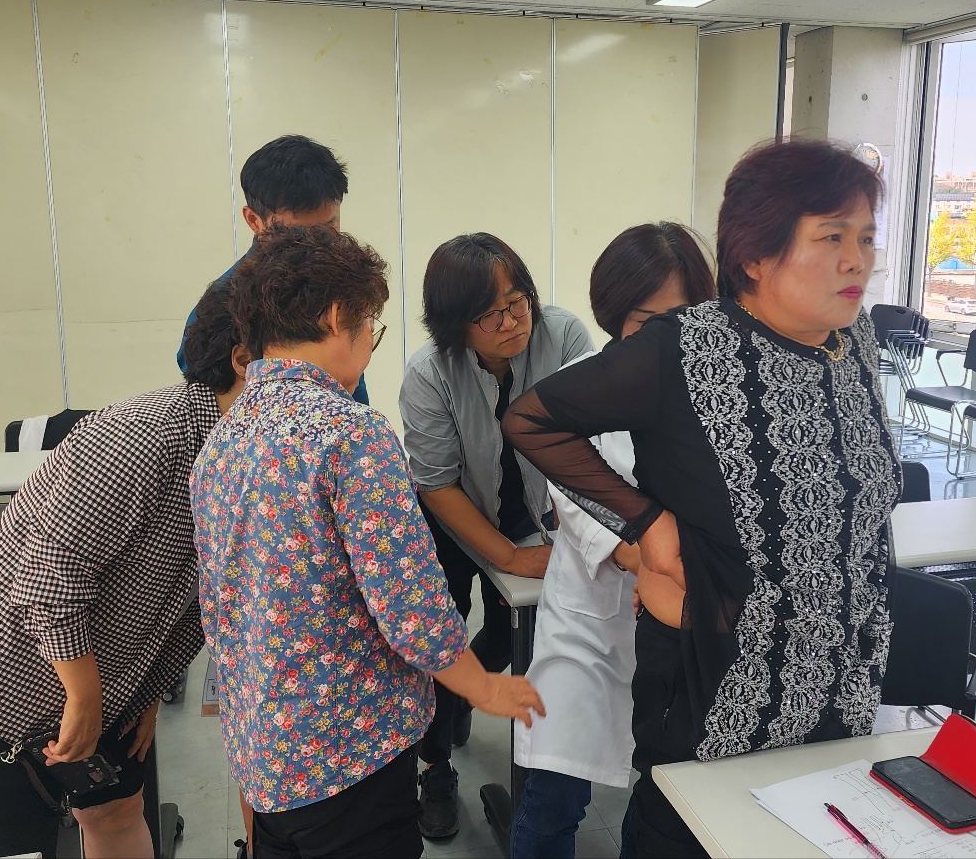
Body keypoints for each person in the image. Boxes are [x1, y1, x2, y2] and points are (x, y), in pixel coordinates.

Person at [504, 139, 903, 858]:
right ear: (755, 256)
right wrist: (646, 524)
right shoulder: (683, 348)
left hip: (839, 687)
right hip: (720, 691)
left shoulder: (857, 341)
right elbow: (532, 420)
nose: (857, 260)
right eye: (831, 237)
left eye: (867, 237)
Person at [191, 224, 545, 859]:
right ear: (337, 317)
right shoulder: (350, 433)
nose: (371, 346)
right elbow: (409, 600)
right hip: (349, 748)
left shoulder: (225, 435)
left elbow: (219, 598)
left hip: (264, 750)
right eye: (371, 327)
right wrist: (482, 686)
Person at [0, 279, 248, 859]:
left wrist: (144, 691)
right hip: (6, 673)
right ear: (244, 360)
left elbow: (190, 594)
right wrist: (86, 697)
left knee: (117, 813)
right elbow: (48, 582)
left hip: (105, 676)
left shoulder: (242, 448)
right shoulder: (143, 434)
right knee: (18, 844)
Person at [509, 223, 716, 859]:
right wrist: (654, 563)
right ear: (613, 314)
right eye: (646, 321)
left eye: (683, 317)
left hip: (677, 633)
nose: (667, 337)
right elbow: (585, 513)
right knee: (553, 801)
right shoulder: (582, 387)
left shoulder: (721, 392)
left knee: (663, 797)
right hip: (591, 632)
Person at [397, 233, 594, 838]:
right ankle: (434, 767)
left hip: (537, 513)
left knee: (517, 626)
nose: (511, 322)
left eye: (517, 302)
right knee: (441, 637)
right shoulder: (429, 372)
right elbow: (437, 484)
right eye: (489, 315)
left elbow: (591, 438)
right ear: (455, 324)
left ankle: (465, 694)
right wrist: (507, 555)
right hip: (453, 518)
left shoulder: (563, 336)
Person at [175, 133, 370, 404]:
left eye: (328, 227)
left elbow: (353, 386)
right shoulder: (222, 306)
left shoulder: (338, 282)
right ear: (253, 220)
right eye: (297, 233)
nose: (316, 245)